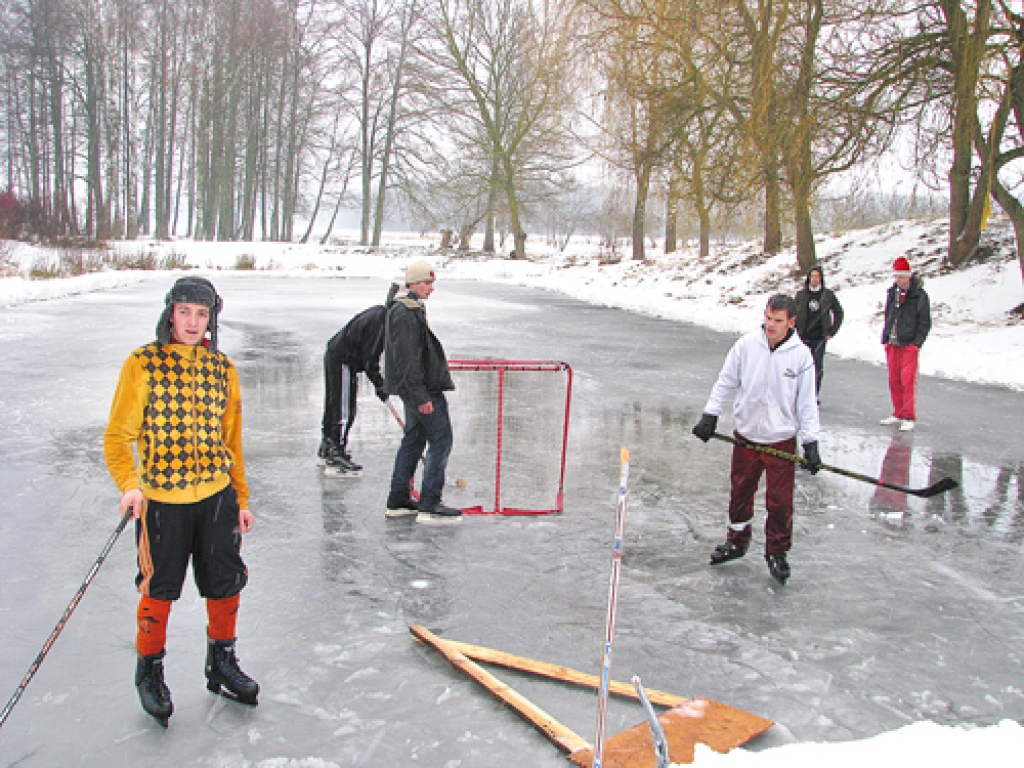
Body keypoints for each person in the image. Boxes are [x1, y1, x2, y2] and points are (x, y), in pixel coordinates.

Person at [104, 276, 259, 727]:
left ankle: (222, 663)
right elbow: (118, 435)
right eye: (185, 311)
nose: (193, 322)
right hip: (161, 501)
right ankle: (149, 671)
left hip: (216, 496)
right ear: (170, 312)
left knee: (225, 583)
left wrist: (241, 498)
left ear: (212, 318)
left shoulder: (221, 368)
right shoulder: (143, 363)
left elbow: (232, 440)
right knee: (159, 588)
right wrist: (130, 484)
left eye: (202, 314)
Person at [691, 294, 822, 584]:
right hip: (746, 435)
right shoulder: (746, 346)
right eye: (768, 318)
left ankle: (777, 551)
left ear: (791, 322)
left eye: (778, 320)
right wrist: (710, 415)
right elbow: (726, 380)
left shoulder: (801, 357)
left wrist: (811, 442)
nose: (771, 325)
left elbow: (807, 403)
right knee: (740, 491)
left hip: (781, 439)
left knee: (779, 501)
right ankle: (736, 542)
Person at [383, 260, 461, 524]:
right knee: (441, 440)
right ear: (413, 284)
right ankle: (429, 503)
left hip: (416, 388)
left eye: (432, 283)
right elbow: (408, 359)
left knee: (414, 440)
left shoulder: (410, 309)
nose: (431, 288)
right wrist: (421, 397)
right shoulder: (405, 313)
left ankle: (399, 499)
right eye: (427, 283)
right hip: (421, 390)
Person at [319, 297, 391, 475]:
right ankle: (336, 452)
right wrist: (380, 385)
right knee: (344, 410)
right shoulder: (381, 322)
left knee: (334, 405)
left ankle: (327, 446)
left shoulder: (381, 314)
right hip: (343, 360)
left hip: (338, 356)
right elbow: (370, 359)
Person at [880, 256, 931, 432]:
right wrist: (886, 337)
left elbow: (925, 322)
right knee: (894, 379)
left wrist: (916, 343)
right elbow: (888, 316)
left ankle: (909, 415)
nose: (898, 280)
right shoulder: (892, 293)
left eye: (901, 276)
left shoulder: (919, 296)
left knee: (907, 380)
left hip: (909, 344)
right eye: (896, 276)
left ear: (908, 276)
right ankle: (898, 412)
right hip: (893, 342)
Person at [794, 265, 843, 396]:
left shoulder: (827, 295)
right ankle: (800, 392)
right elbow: (792, 312)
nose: (815, 279)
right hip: (803, 335)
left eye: (817, 276)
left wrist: (832, 330)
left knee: (816, 366)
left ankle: (813, 394)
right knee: (801, 366)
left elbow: (839, 312)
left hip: (820, 336)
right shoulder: (801, 294)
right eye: (812, 276)